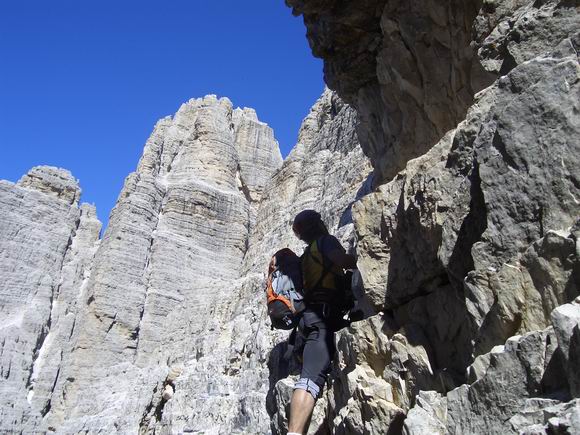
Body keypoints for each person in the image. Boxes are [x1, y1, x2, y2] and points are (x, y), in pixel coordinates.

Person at [287, 210, 357, 435]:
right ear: (318, 224)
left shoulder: (306, 256)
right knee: (309, 379)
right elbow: (342, 260)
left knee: (312, 374)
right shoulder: (325, 242)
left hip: (309, 320)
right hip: (321, 320)